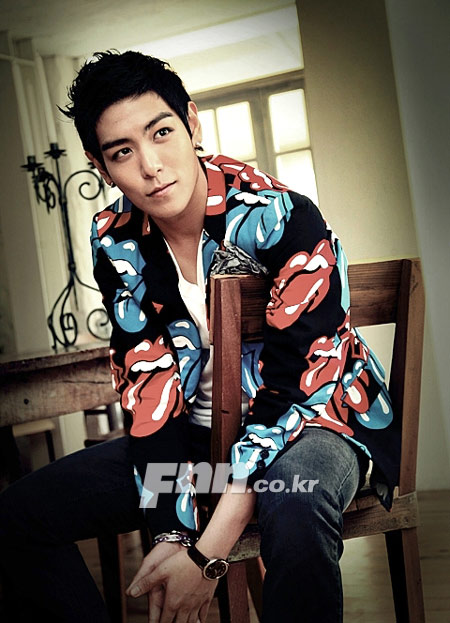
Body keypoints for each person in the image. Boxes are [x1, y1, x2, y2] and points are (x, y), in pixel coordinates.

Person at [0, 50, 400, 623]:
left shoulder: (282, 215)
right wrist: (170, 532)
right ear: (99, 164)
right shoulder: (115, 240)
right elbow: (149, 388)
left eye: (161, 132)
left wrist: (206, 555)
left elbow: (300, 385)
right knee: (18, 517)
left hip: (312, 425)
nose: (151, 165)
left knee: (295, 495)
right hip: (198, 446)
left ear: (191, 122)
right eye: (122, 151)